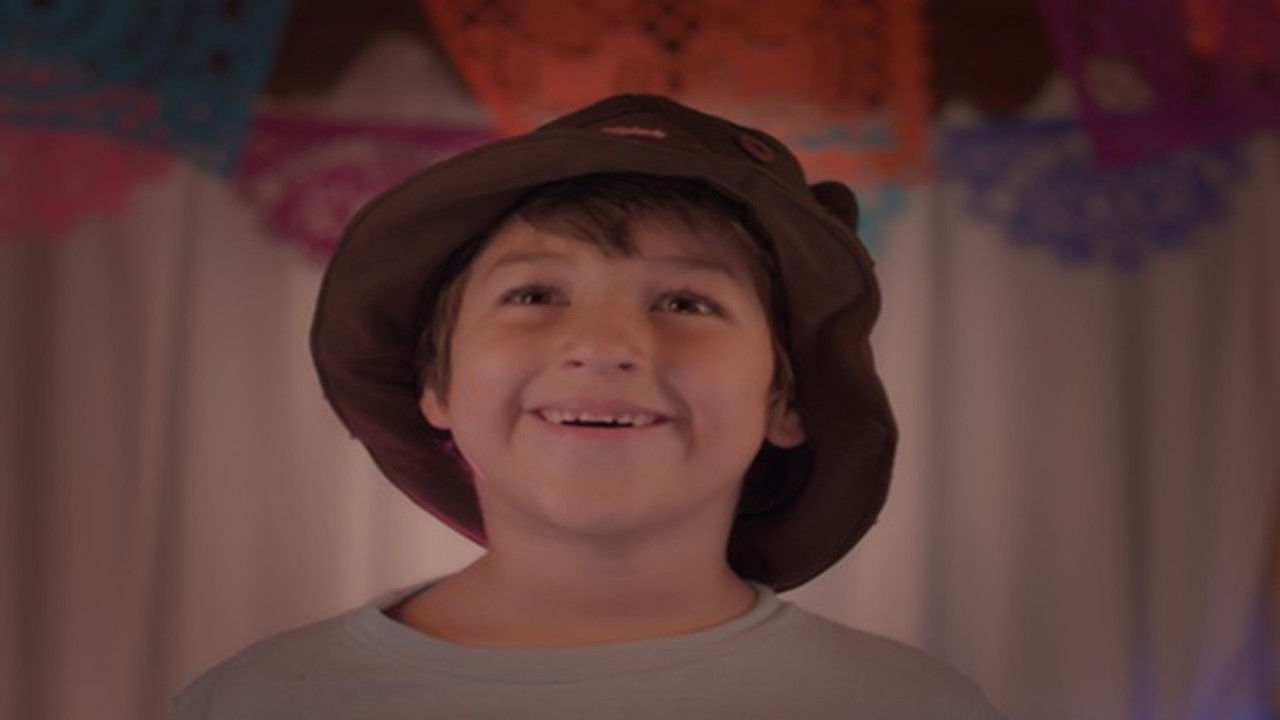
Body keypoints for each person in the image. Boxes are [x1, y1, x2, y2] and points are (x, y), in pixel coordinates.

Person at [173, 94, 1006, 719]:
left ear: (783, 400)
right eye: (535, 292)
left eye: (686, 303)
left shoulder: (913, 706)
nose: (607, 345)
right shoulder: (256, 702)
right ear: (436, 382)